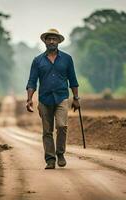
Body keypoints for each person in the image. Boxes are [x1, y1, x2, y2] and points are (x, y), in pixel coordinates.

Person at [26, 28, 80, 169]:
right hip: (44, 99)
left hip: (62, 97)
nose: (51, 41)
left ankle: (60, 153)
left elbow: (73, 79)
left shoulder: (67, 59)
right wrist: (29, 99)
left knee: (62, 126)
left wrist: (76, 97)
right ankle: (50, 159)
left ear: (58, 41)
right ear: (45, 41)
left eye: (54, 39)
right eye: (49, 39)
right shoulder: (37, 61)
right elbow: (32, 81)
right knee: (47, 131)